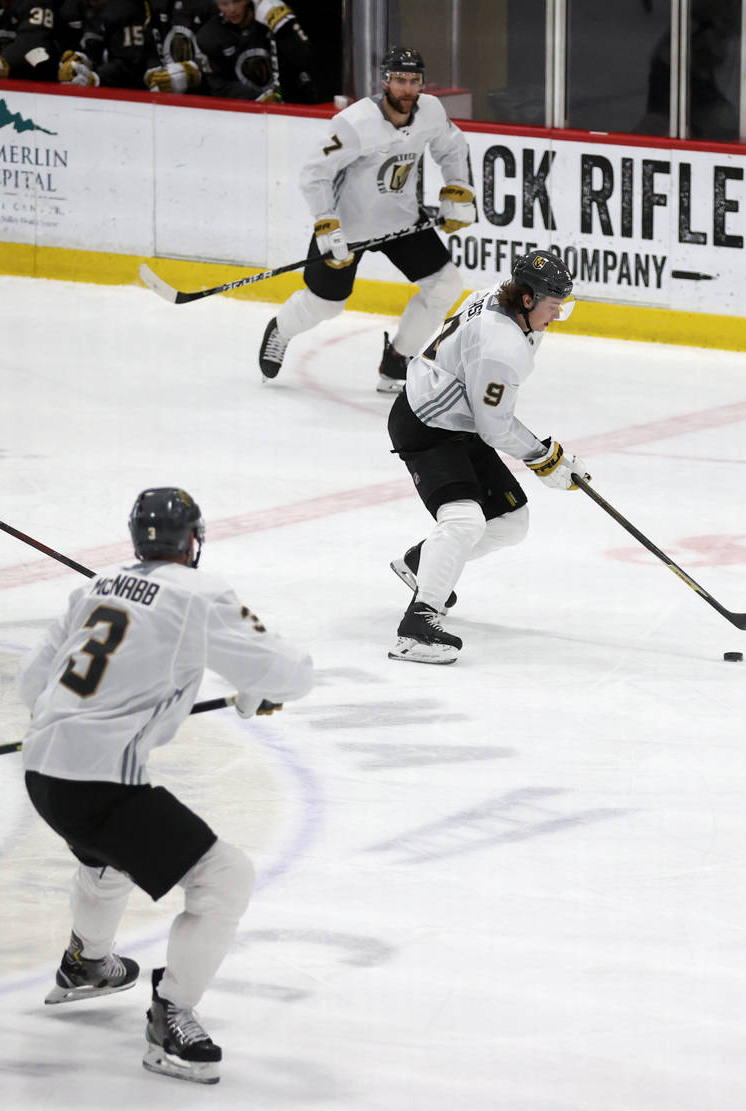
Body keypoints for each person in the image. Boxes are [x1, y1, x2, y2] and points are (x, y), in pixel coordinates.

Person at [17, 486, 314, 1085]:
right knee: (225, 876)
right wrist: (261, 689)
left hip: (44, 774)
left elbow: (32, 685)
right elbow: (290, 671)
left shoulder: (94, 585)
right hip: (99, 783)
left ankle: (88, 964)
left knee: (109, 858)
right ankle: (171, 1015)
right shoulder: (198, 594)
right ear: (193, 541)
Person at [386, 249, 591, 665]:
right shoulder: (501, 344)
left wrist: (548, 454)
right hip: (428, 426)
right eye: (554, 306)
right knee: (464, 520)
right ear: (529, 299)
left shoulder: (504, 298)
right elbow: (494, 428)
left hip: (458, 420)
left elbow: (487, 413)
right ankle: (416, 629)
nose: (556, 316)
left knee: (511, 522)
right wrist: (544, 458)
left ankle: (422, 562)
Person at [258, 45, 475, 394]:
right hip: (348, 228)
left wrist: (458, 188)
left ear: (422, 84)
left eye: (414, 80)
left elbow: (452, 146)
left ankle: (397, 360)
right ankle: (280, 330)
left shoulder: (431, 111)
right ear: (385, 81)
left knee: (445, 285)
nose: (407, 88)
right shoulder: (355, 123)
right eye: (400, 80)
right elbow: (315, 174)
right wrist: (326, 223)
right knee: (325, 305)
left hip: (402, 222)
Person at [197, 0, 315, 104]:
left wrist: (285, 29)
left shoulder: (270, 15)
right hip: (248, 110)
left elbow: (305, 61)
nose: (232, 9)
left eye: (237, 1)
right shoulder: (210, 35)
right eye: (224, 4)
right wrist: (258, 98)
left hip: (295, 102)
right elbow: (220, 86)